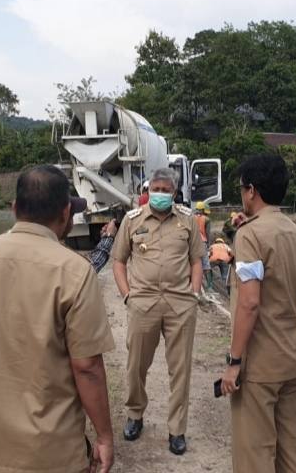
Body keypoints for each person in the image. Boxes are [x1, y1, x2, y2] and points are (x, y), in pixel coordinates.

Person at [0, 166, 116, 473]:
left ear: (14, 208)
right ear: (66, 213)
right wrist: (104, 437)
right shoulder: (74, 271)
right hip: (49, 454)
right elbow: (87, 367)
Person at [219, 154, 296, 473]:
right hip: (293, 356)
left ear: (252, 190)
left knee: (254, 455)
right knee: (289, 449)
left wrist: (234, 362)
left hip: (260, 364)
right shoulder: (294, 231)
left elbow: (250, 302)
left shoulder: (250, 235)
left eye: (242, 189)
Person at [112, 167, 204, 455]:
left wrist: (194, 294)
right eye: (156, 189)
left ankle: (177, 430)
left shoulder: (187, 221)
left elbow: (197, 260)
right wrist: (127, 296)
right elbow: (118, 261)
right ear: (148, 190)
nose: (160, 194)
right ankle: (135, 414)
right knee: (136, 365)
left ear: (174, 193)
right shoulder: (132, 220)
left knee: (180, 370)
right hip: (143, 304)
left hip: (180, 304)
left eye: (166, 190)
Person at [194, 201, 214, 292]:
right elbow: (208, 233)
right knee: (206, 264)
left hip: (193, 241)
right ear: (203, 209)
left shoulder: (191, 217)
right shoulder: (206, 219)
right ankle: (209, 287)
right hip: (202, 242)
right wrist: (209, 245)